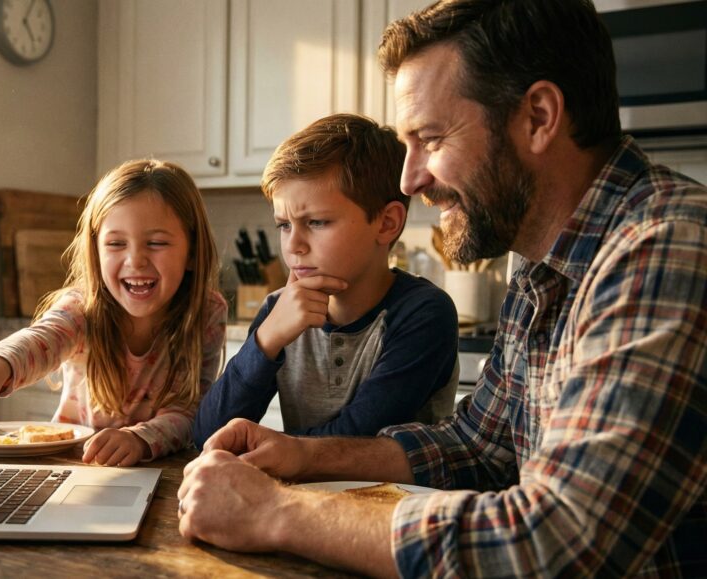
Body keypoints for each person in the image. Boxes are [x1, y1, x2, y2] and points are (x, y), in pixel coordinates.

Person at [178, 0, 707, 576]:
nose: (410, 180)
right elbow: (479, 446)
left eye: (430, 139)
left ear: (538, 117)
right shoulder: (540, 267)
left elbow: (555, 543)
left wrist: (275, 511)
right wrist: (302, 454)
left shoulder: (669, 245)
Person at [0, 159, 228, 467]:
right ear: (96, 251)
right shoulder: (82, 308)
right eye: (116, 243)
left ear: (192, 251)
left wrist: (139, 439)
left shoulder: (207, 313)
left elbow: (190, 411)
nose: (135, 260)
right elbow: (42, 339)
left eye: (157, 243)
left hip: (161, 470)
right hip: (72, 465)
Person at [192, 114, 459, 447]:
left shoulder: (423, 313)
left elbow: (358, 440)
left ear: (387, 223)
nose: (293, 245)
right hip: (294, 482)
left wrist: (261, 445)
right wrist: (267, 338)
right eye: (284, 225)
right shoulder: (279, 310)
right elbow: (207, 435)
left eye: (316, 222)